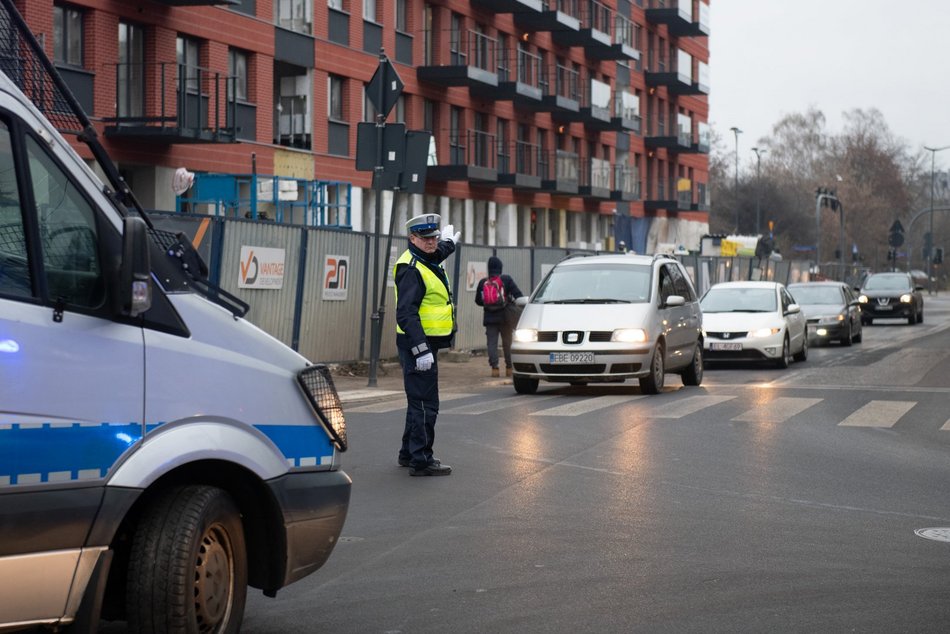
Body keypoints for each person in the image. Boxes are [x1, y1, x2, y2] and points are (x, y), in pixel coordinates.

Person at [394, 213, 461, 477]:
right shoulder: (410, 268)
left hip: (423, 342)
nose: (432, 242)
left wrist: (449, 245)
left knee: (417, 399)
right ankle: (421, 459)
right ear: (412, 238)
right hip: (416, 343)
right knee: (425, 402)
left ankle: (408, 453)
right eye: (427, 238)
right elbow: (406, 313)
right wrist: (420, 348)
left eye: (434, 237)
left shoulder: (424, 256)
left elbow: (433, 255)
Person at [474, 256, 523, 377]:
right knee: (507, 342)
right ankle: (509, 368)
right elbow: (519, 295)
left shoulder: (483, 283)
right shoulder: (506, 280)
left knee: (492, 344)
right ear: (500, 268)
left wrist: (489, 304)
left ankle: (495, 369)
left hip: (489, 318)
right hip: (505, 317)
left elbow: (478, 301)